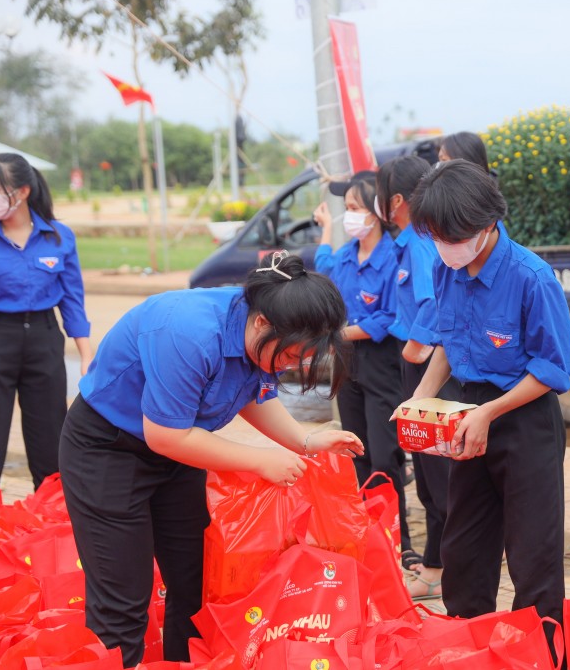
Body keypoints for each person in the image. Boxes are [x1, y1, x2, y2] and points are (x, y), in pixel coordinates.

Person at [58, 252, 363, 666]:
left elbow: (254, 393)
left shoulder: (264, 330)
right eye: (291, 357)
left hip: (181, 451)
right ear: (261, 324)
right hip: (109, 450)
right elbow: (165, 434)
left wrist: (306, 439)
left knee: (197, 585)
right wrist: (258, 460)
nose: (291, 366)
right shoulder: (190, 333)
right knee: (123, 598)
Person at [405, 159, 570, 653]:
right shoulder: (446, 267)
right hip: (468, 409)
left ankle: (542, 654)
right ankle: (467, 649)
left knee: (533, 554)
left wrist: (489, 414)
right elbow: (446, 339)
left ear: (484, 224)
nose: (442, 245)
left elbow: (552, 369)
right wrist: (422, 397)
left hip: (525, 416)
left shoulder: (531, 278)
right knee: (465, 544)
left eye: (449, 234)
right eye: (434, 235)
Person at [0, 153, 93, 490]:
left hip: (44, 337)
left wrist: (85, 356)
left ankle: (51, 516)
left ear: (23, 190)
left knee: (49, 433)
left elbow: (72, 299)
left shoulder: (58, 237)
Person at [313, 176, 412, 560]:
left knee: (386, 457)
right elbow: (323, 268)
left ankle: (400, 544)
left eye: (355, 208)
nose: (349, 216)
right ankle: (367, 538)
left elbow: (389, 317)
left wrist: (341, 332)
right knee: (356, 451)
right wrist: (324, 231)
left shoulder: (392, 258)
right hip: (346, 362)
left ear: (378, 212)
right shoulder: (346, 254)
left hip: (381, 362)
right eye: (347, 209)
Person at [377, 155, 460, 599]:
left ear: (395, 200)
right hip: (415, 369)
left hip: (428, 371)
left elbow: (433, 302)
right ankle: (434, 566)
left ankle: (449, 566)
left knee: (438, 473)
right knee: (427, 474)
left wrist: (416, 344)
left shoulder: (422, 241)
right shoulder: (407, 242)